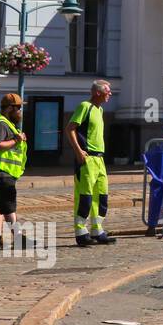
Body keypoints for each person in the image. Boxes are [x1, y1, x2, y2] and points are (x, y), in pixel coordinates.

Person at [66, 80, 115, 246]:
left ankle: (97, 230)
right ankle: (81, 232)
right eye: (108, 91)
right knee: (85, 196)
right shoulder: (84, 106)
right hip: (87, 159)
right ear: (97, 93)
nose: (110, 94)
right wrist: (79, 151)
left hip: (99, 159)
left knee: (101, 196)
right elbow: (70, 128)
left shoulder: (99, 109)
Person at [0, 93, 28, 250]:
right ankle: (18, 238)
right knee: (9, 205)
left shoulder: (7, 123)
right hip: (2, 171)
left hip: (4, 171)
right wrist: (16, 140)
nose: (20, 112)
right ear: (10, 108)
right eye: (19, 108)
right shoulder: (1, 124)